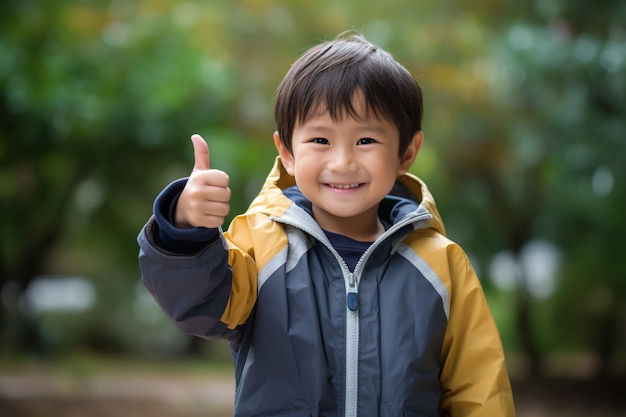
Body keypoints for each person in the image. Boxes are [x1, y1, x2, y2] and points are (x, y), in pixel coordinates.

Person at [137, 32, 515, 416]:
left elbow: (479, 390)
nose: (342, 163)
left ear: (406, 152)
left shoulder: (442, 266)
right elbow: (200, 305)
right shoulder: (260, 247)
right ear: (287, 152)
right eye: (320, 139)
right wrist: (185, 226)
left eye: (366, 140)